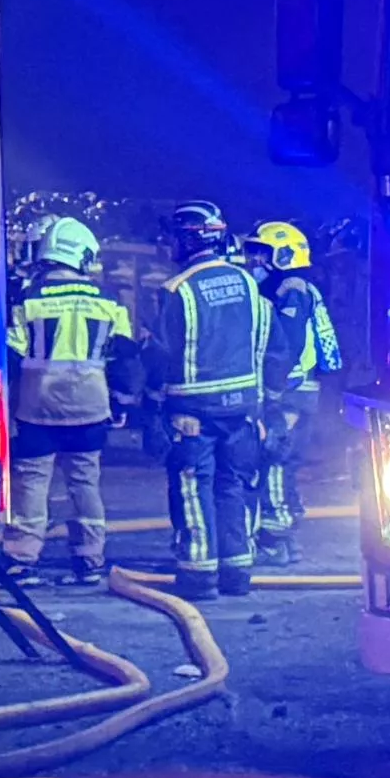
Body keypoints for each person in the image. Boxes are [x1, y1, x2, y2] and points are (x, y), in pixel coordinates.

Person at [139, 199, 279, 596]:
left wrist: (151, 406)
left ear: (188, 238)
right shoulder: (249, 285)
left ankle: (200, 575)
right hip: (244, 410)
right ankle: (237, 572)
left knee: (192, 488)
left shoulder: (176, 290)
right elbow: (272, 346)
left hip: (192, 411)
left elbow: (161, 355)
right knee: (233, 486)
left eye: (173, 237)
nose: (169, 245)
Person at [4, 215, 137, 585]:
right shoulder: (109, 302)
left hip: (36, 409)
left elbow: (11, 356)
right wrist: (123, 403)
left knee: (31, 484)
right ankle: (89, 559)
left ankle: (22, 560)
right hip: (91, 410)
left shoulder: (29, 301)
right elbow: (124, 357)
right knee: (85, 483)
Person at [249, 220, 344, 525]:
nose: (255, 260)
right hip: (296, 387)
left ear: (284, 255)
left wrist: (274, 388)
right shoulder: (292, 289)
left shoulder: (291, 290)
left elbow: (287, 345)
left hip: (291, 388)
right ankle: (286, 523)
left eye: (262, 253)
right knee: (282, 460)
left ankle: (277, 536)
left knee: (275, 459)